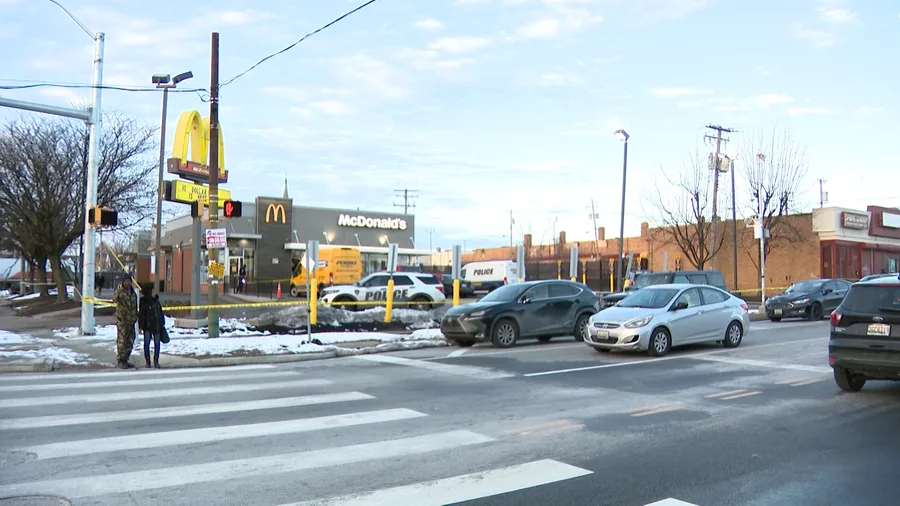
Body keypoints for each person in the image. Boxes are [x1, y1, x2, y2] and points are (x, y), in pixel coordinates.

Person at [113, 273, 139, 369]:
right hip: (123, 322)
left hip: (131, 321)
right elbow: (114, 299)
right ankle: (120, 360)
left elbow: (135, 306)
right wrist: (119, 290)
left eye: (129, 281)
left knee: (130, 341)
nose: (127, 283)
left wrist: (136, 316)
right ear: (123, 282)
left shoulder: (133, 293)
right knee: (122, 342)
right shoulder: (120, 292)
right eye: (126, 281)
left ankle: (126, 359)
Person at [139, 284, 165, 369]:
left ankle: (156, 360)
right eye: (153, 291)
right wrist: (141, 326)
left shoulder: (156, 300)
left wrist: (162, 323)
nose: (154, 292)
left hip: (157, 326)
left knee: (157, 344)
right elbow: (141, 315)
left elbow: (160, 312)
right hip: (148, 327)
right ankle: (148, 361)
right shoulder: (144, 302)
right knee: (147, 344)